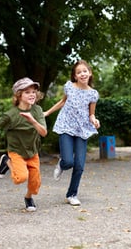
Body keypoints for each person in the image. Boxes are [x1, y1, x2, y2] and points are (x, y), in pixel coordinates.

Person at [0, 78, 47, 211]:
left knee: (35, 182)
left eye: (33, 91)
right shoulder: (11, 115)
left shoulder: (37, 110)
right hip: (16, 151)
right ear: (19, 95)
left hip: (32, 151)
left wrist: (33, 121)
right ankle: (7, 161)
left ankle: (28, 198)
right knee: (20, 178)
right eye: (27, 92)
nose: (32, 94)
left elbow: (43, 133)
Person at [43, 60, 100, 206]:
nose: (82, 74)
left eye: (85, 71)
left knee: (79, 165)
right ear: (75, 76)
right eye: (79, 72)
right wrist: (48, 112)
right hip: (66, 126)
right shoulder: (69, 86)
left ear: (90, 73)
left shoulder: (93, 94)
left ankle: (72, 194)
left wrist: (94, 120)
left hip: (82, 129)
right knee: (68, 161)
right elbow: (62, 102)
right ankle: (62, 165)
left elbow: (91, 114)